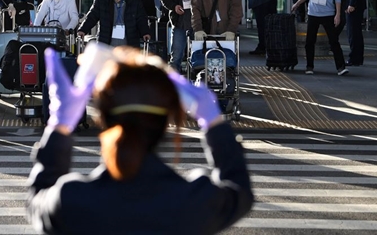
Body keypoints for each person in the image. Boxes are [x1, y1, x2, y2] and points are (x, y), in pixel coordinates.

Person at [27, 45, 253, 234]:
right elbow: (239, 190)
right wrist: (212, 120)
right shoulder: (195, 201)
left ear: (103, 118)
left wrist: (60, 125)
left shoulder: (71, 199)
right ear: (165, 123)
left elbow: (37, 200)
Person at [291, 0, 347, 76]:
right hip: (313, 13)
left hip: (328, 14)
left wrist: (338, 14)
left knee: (333, 41)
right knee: (309, 41)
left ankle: (341, 67)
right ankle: (309, 66)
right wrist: (297, 3)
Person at [78, 0, 151, 47]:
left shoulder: (135, 1)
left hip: (128, 45)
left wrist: (145, 32)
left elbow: (141, 18)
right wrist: (83, 30)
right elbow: (92, 16)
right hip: (107, 43)